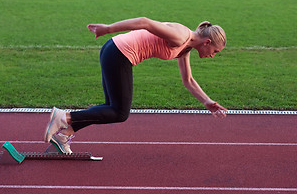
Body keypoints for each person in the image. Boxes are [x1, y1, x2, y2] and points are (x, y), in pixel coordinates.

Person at [44, 17, 228, 153]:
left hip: (114, 51)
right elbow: (144, 22)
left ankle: (64, 134)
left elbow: (188, 80)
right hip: (119, 53)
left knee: (111, 109)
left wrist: (207, 102)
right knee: (119, 112)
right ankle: (63, 116)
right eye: (215, 52)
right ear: (207, 42)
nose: (212, 55)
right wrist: (108, 28)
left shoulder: (186, 46)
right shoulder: (181, 36)